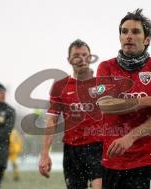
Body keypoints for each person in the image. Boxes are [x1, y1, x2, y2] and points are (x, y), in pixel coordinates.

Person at [96, 9, 151, 189]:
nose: (128, 36)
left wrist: (130, 137)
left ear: (147, 40)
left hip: (146, 161)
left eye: (135, 31)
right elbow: (105, 105)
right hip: (112, 161)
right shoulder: (106, 67)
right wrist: (147, 101)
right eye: (124, 31)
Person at [38, 39, 103, 189]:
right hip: (72, 151)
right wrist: (44, 154)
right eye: (76, 55)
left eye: (85, 55)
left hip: (98, 148)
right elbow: (51, 121)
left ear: (90, 57)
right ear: (69, 60)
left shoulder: (101, 84)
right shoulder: (60, 86)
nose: (81, 59)